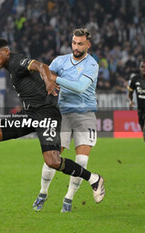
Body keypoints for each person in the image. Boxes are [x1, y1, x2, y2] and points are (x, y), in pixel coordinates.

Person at [0, 38, 105, 205]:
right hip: (29, 114)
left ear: (6, 52)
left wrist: (47, 82)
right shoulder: (10, 66)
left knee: (52, 161)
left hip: (46, 114)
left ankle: (94, 179)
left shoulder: (16, 61)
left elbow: (41, 66)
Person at [33, 28, 100, 213]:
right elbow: (44, 74)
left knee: (82, 162)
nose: (76, 47)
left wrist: (55, 78)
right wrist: (46, 80)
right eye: (74, 43)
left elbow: (79, 87)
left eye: (80, 44)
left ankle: (68, 198)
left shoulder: (92, 65)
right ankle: (43, 192)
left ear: (88, 45)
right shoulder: (60, 61)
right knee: (52, 158)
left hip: (85, 115)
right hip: (61, 114)